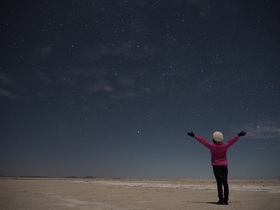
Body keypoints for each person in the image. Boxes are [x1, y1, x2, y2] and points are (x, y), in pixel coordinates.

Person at [187, 130, 246, 205]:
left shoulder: (212, 146)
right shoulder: (225, 146)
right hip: (224, 166)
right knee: (225, 183)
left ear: (214, 139)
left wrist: (194, 136)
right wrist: (238, 135)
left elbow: (203, 141)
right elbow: (232, 141)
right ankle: (226, 200)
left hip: (216, 167)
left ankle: (221, 200)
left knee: (219, 183)